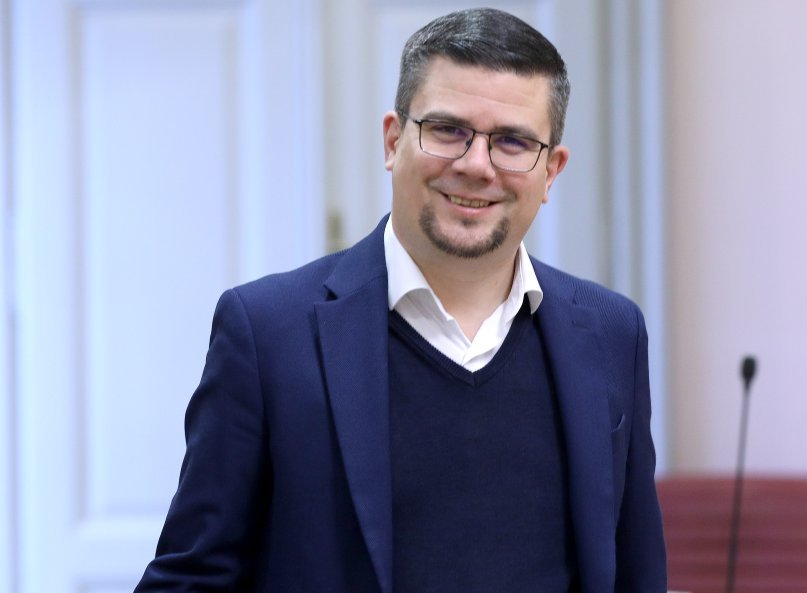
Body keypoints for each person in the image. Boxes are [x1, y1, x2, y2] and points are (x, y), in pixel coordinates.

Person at [135, 7, 666, 593]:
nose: (476, 165)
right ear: (393, 140)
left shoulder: (613, 334)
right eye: (447, 130)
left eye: (513, 142)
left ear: (552, 172)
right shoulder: (267, 334)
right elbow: (192, 579)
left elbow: (636, 572)